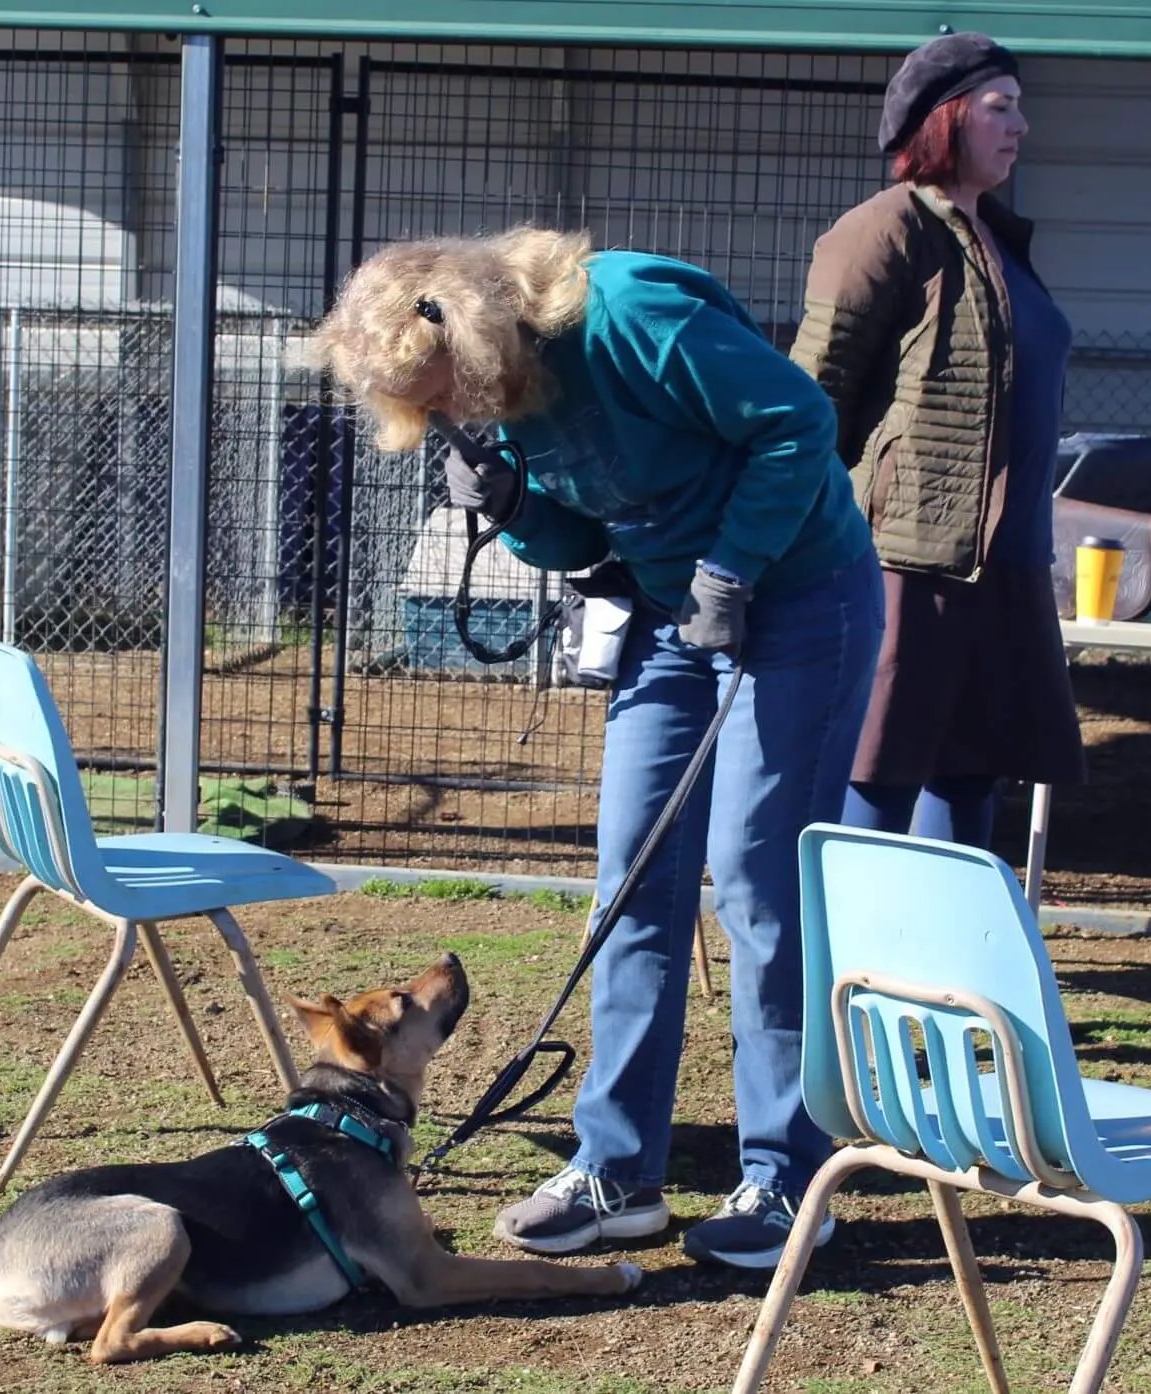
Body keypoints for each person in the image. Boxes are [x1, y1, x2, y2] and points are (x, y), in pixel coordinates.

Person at [314, 227, 882, 1270]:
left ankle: (789, 1178)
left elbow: (800, 422)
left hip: (798, 598)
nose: (442, 415)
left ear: (479, 341)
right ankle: (616, 1168)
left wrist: (736, 563)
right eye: (426, 408)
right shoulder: (487, 400)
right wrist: (519, 508)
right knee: (630, 881)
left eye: (443, 393)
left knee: (760, 887)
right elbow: (585, 537)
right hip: (668, 607)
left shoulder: (626, 319)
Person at [791, 32, 1086, 850]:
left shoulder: (997, 237)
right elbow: (810, 401)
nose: (1020, 126)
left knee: (970, 768)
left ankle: (945, 965)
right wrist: (800, 540)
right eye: (1001, 107)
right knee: (880, 769)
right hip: (905, 560)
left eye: (1019, 107)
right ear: (944, 117)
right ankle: (864, 964)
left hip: (1005, 561)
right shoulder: (882, 232)